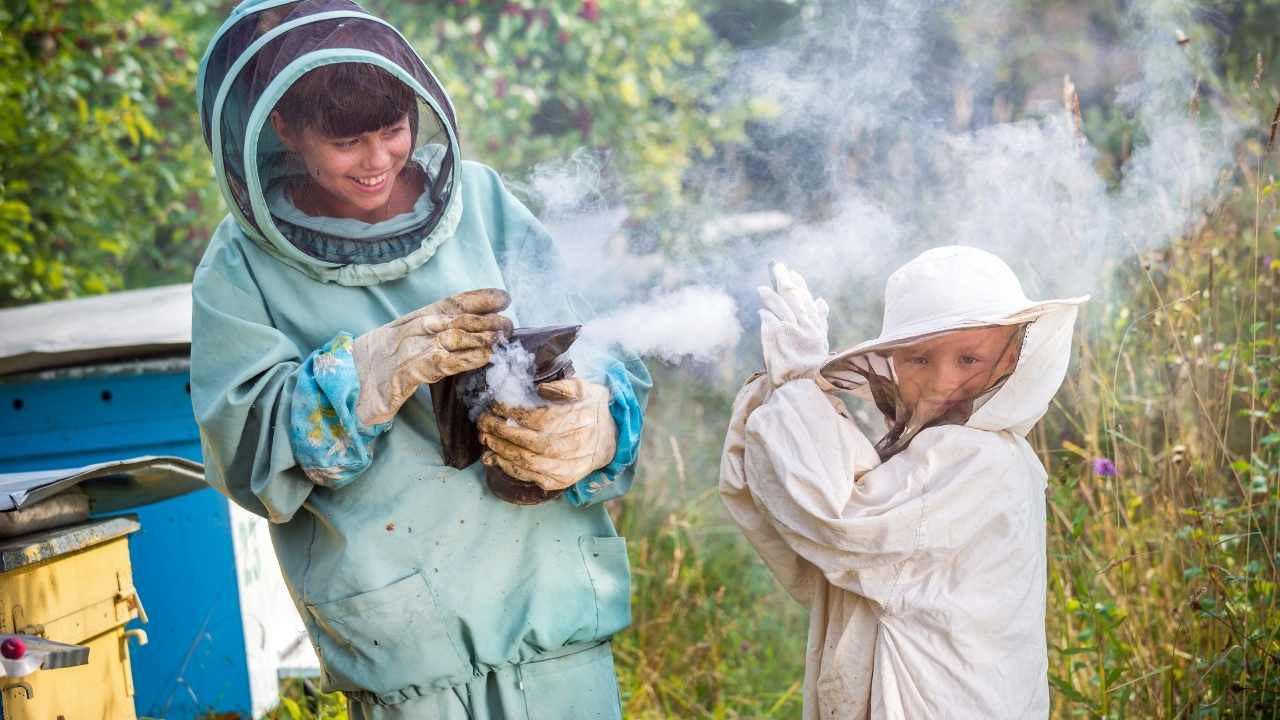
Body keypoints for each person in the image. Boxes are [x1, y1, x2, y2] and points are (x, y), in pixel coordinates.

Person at [190, 2, 649, 717]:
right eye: (347, 142)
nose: (378, 160)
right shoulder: (241, 264)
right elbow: (244, 456)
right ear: (283, 127)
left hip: (557, 620)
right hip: (404, 644)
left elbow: (608, 359)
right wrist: (364, 375)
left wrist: (597, 426)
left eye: (393, 130)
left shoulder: (484, 200)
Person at [720, 247, 1087, 718]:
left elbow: (835, 521)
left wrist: (795, 390)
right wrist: (798, 391)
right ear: (892, 362)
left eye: (968, 358)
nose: (941, 382)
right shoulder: (937, 455)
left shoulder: (982, 459)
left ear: (1009, 357)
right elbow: (818, 522)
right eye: (919, 360)